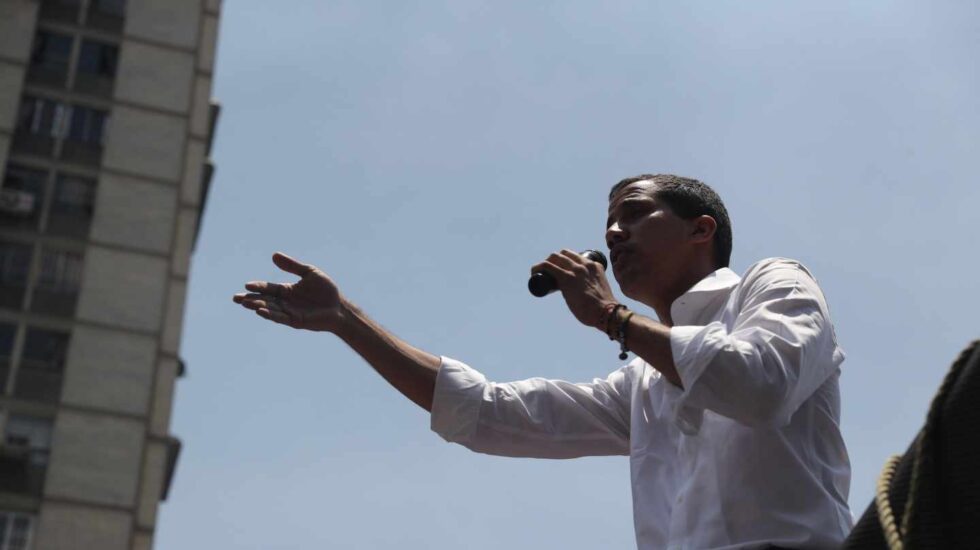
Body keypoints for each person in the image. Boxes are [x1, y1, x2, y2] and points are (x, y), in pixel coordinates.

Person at [233, 174, 852, 549]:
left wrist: (613, 318)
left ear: (701, 230)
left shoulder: (774, 284)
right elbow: (486, 413)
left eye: (635, 213)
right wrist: (347, 321)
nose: (614, 232)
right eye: (610, 221)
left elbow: (760, 385)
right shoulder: (642, 383)